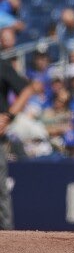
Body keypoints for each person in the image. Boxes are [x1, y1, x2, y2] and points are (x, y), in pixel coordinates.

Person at [0, 59, 33, 229]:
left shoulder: (2, 65)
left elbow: (26, 89)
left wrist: (7, 116)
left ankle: (6, 235)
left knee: (0, 189)